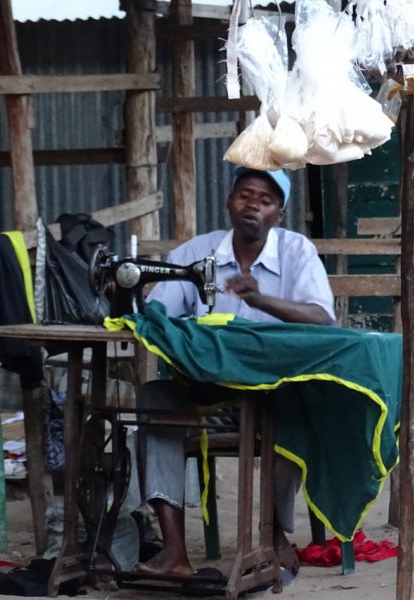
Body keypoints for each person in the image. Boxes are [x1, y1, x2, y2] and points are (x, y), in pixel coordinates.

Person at [134, 166, 336, 578]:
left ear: (279, 213)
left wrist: (262, 302)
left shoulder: (297, 252)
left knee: (293, 413)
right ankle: (174, 550)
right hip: (205, 392)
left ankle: (275, 536)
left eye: (265, 199)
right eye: (245, 194)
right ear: (229, 201)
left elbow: (322, 318)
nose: (253, 205)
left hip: (272, 390)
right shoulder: (195, 254)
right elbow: (159, 315)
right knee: (153, 400)